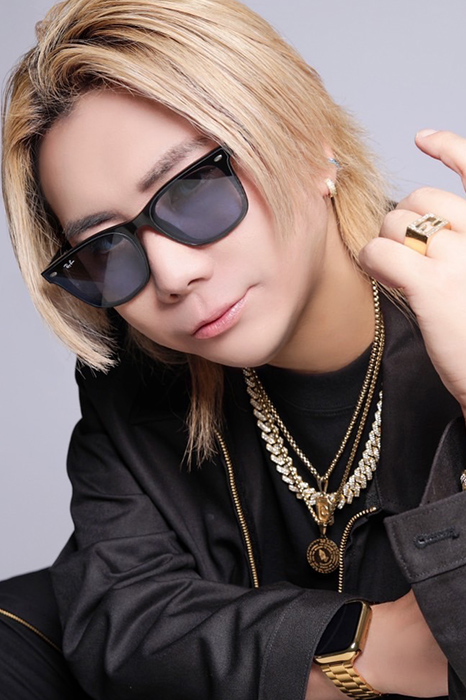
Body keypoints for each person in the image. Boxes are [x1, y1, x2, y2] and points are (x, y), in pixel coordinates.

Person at [2, 0, 466, 698]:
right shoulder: (135, 373)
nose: (169, 274)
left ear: (308, 142)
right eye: (105, 247)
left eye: (192, 188)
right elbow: (115, 617)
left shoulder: (450, 311)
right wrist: (374, 650)